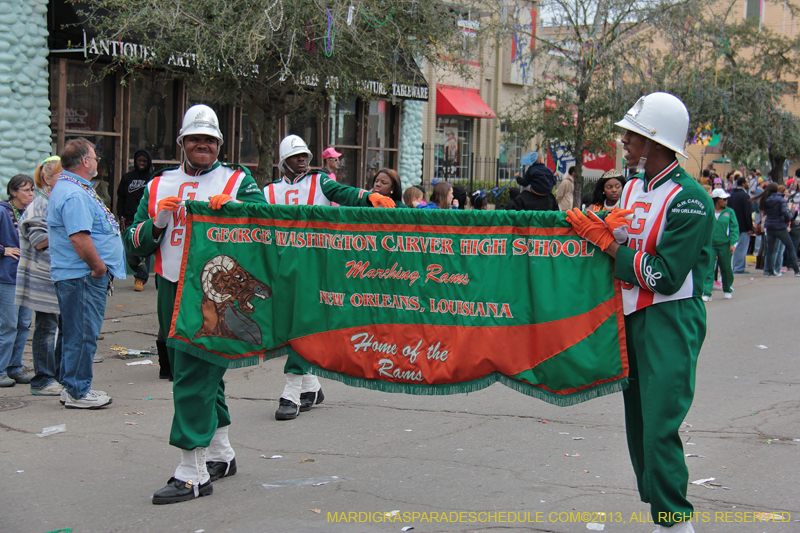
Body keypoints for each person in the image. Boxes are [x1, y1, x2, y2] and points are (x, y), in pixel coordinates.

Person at [567, 92, 713, 533]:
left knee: (659, 426)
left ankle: (674, 521)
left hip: (670, 319)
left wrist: (610, 244)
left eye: (634, 134)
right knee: (638, 425)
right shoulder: (630, 188)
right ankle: (661, 514)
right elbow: (611, 239)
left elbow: (666, 275)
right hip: (628, 316)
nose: (625, 140)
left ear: (656, 141)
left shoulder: (691, 200)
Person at [122, 105, 265, 503]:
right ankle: (220, 452)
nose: (202, 145)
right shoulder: (157, 185)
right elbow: (131, 239)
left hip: (211, 293)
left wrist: (236, 211)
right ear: (182, 142)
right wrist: (156, 226)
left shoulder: (237, 179)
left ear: (219, 144)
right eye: (194, 139)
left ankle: (191, 471)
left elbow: (266, 222)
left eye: (209, 140)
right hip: (170, 287)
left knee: (192, 374)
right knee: (202, 372)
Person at [265, 134, 395, 421]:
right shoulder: (268, 191)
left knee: (302, 323)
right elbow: (248, 212)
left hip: (315, 266)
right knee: (291, 327)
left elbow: (345, 194)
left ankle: (291, 391)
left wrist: (368, 197)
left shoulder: (319, 181)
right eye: (297, 156)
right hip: (282, 267)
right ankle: (311, 386)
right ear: (283, 160)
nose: (303, 160)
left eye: (305, 156)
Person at [47, 138, 125, 408]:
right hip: (82, 276)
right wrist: (99, 268)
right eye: (94, 157)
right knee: (82, 334)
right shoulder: (73, 193)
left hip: (79, 276)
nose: (97, 162)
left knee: (75, 333)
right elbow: (79, 238)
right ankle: (78, 391)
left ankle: (71, 385)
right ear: (85, 161)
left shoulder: (73, 188)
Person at [15, 157, 64, 395]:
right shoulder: (39, 205)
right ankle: (43, 379)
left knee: (62, 327)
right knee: (46, 328)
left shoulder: (54, 202)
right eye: (61, 176)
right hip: (43, 279)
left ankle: (57, 375)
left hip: (58, 278)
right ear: (47, 179)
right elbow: (40, 241)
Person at [0, 174, 35, 387]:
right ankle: (1, 369)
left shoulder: (30, 212)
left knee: (23, 324)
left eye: (32, 190)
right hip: (8, 277)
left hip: (27, 276)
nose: (31, 194)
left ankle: (15, 367)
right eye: (26, 190)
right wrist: (4, 250)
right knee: (8, 325)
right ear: (13, 192)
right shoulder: (3, 212)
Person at [117, 149, 153, 291]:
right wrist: (121, 216)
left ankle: (141, 278)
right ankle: (138, 269)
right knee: (129, 250)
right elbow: (121, 198)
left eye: (144, 161)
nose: (142, 164)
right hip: (130, 218)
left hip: (147, 219)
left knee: (145, 250)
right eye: (139, 161)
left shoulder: (152, 179)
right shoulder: (127, 178)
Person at [702, 189, 738, 301]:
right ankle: (707, 292)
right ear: (716, 200)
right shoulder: (708, 211)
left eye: (726, 199)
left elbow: (734, 228)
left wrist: (733, 243)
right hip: (710, 244)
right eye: (723, 199)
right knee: (708, 268)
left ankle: (727, 288)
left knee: (726, 268)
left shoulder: (729, 212)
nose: (726, 201)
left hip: (725, 244)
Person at [760, 182, 800, 277]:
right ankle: (796, 270)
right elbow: (784, 213)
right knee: (790, 247)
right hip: (780, 226)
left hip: (770, 226)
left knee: (770, 249)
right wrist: (791, 213)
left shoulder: (766, 199)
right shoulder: (780, 200)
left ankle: (769, 270)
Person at [728, 176, 753, 274]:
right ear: (743, 184)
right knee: (742, 247)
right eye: (746, 182)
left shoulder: (731, 194)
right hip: (743, 225)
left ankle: (734, 266)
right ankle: (739, 267)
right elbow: (747, 212)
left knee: (733, 246)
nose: (747, 183)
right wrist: (750, 226)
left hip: (732, 224)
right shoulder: (745, 196)